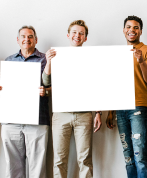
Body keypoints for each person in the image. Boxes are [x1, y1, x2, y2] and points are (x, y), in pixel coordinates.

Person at [42, 20, 102, 178]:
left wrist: (98, 112)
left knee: (85, 160)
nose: (78, 35)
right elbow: (47, 82)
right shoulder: (57, 56)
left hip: (84, 115)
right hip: (61, 115)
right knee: (59, 160)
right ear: (68, 35)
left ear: (85, 38)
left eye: (81, 33)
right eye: (75, 32)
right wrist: (48, 61)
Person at [0, 25, 53, 178]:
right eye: (23, 36)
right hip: (11, 120)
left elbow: (50, 86)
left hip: (38, 119)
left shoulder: (45, 60)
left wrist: (44, 90)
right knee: (13, 168)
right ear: (18, 40)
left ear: (36, 40)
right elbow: (2, 85)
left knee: (37, 167)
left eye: (30, 36)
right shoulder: (8, 60)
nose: (27, 39)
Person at [106, 15, 147, 178]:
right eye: (128, 27)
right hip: (121, 109)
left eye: (135, 27)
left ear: (140, 31)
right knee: (128, 157)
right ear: (123, 30)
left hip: (139, 107)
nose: (132, 30)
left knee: (140, 156)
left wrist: (141, 60)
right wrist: (111, 112)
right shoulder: (119, 54)